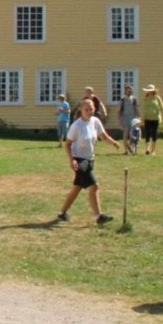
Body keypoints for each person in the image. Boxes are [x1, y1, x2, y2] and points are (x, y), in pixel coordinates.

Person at [57, 98, 118, 226]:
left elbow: (103, 136)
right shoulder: (76, 126)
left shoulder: (95, 121)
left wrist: (113, 142)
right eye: (86, 109)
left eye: (91, 109)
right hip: (80, 161)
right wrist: (72, 160)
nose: (89, 111)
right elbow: (67, 145)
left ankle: (62, 213)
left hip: (90, 159)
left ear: (94, 109)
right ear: (81, 110)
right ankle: (99, 216)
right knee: (94, 186)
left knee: (77, 188)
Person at [140, 84, 163, 155]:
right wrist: (142, 118)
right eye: (148, 91)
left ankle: (153, 151)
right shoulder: (145, 99)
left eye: (151, 91)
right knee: (147, 134)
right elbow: (144, 109)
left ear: (153, 91)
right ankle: (147, 149)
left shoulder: (157, 98)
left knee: (154, 134)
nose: (149, 92)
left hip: (155, 119)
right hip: (147, 118)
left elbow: (162, 106)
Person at [115, 85, 140, 154]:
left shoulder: (134, 99)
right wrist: (119, 119)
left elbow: (136, 108)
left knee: (132, 134)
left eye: (131, 90)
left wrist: (139, 117)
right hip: (124, 119)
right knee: (125, 135)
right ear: (125, 91)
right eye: (129, 90)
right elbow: (118, 110)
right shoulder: (122, 100)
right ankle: (126, 150)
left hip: (133, 119)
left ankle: (131, 147)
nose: (130, 91)